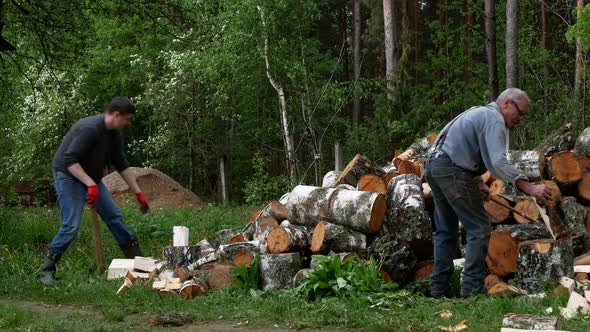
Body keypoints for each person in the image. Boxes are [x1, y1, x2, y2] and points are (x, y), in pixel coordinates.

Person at [425, 88, 552, 298]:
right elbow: (498, 162)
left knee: (446, 231)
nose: (520, 119)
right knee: (479, 229)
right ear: (507, 104)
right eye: (520, 113)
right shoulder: (494, 119)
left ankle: (439, 290)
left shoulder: (478, 113)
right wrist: (529, 187)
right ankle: (472, 291)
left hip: (435, 167)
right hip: (451, 170)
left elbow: (462, 148)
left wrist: (477, 181)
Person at [39, 96, 150, 286]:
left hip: (91, 178)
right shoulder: (90, 129)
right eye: (128, 119)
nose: (129, 123)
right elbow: (70, 161)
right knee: (71, 225)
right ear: (116, 115)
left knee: (114, 216)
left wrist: (138, 192)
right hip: (68, 176)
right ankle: (46, 271)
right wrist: (90, 184)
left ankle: (140, 265)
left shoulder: (114, 134)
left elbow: (121, 164)